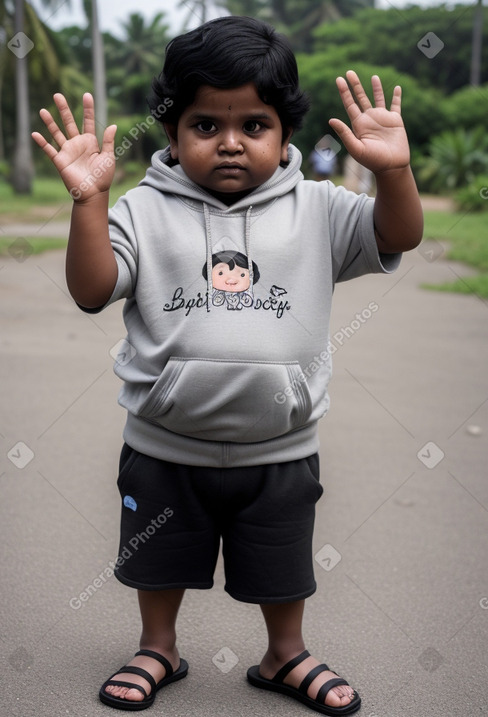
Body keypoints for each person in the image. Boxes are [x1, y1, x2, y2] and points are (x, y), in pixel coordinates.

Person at [32, 15, 422, 715]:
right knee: (159, 556)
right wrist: (90, 200)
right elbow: (92, 289)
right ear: (175, 134)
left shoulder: (320, 209)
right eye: (206, 125)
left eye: (255, 124)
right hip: (163, 443)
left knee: (282, 560)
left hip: (281, 446)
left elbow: (398, 233)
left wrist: (394, 173)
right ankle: (158, 646)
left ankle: (285, 653)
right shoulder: (145, 209)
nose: (231, 142)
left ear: (286, 132)